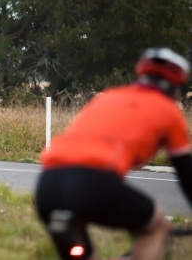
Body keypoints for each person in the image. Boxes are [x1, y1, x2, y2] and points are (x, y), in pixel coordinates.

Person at [35, 47, 192, 260]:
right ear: (176, 87)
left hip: (47, 185)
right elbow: (186, 173)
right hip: (94, 183)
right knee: (156, 227)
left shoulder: (109, 97)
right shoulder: (169, 112)